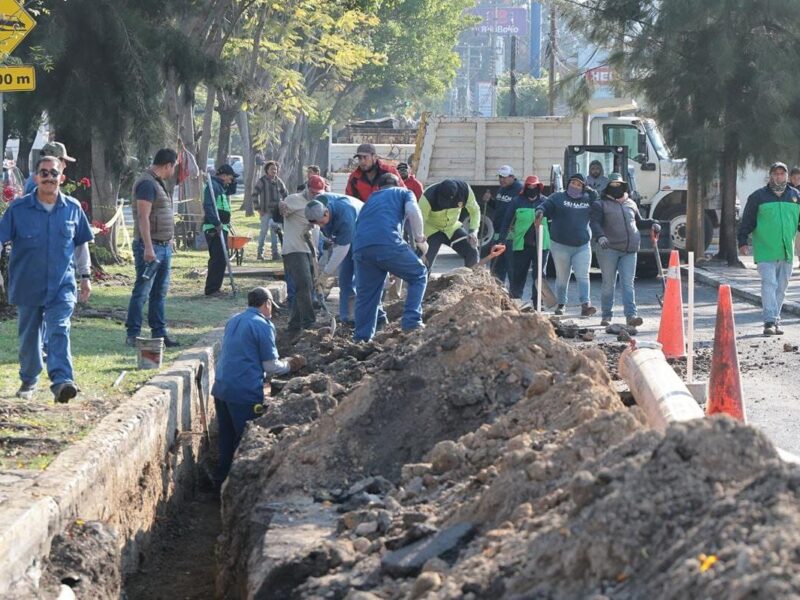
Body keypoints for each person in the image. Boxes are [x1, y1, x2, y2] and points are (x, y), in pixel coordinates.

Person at [0, 156, 93, 402]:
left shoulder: (73, 208)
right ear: (35, 178)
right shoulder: (18, 210)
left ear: (62, 177)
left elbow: (81, 245)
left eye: (54, 173)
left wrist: (85, 277)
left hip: (61, 285)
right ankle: (29, 380)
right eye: (44, 173)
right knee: (29, 338)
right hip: (27, 284)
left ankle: (62, 382)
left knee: (59, 328)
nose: (49, 177)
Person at [211, 286, 306, 485]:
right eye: (272, 307)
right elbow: (271, 365)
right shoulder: (263, 325)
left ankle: (220, 480)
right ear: (267, 303)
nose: (272, 312)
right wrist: (291, 364)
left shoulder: (233, 320)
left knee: (226, 439)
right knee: (245, 440)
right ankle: (240, 485)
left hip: (221, 389)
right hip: (243, 392)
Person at [352, 173, 427, 342]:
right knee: (419, 274)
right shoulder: (404, 193)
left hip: (361, 247)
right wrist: (420, 238)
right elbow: (413, 211)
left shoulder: (370, 200)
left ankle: (361, 339)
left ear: (378, 187)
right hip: (387, 241)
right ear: (399, 183)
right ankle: (412, 322)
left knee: (367, 296)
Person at [125, 148, 180, 347]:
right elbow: (143, 217)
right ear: (168, 165)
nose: (173, 171)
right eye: (174, 167)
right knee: (142, 291)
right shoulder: (147, 183)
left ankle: (159, 333)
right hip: (150, 247)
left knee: (159, 292)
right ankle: (133, 333)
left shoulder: (157, 182)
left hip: (163, 246)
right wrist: (148, 247)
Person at [590, 173, 661, 327]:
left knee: (628, 284)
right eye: (613, 185)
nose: (616, 188)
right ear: (608, 187)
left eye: (619, 185)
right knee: (609, 283)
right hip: (608, 249)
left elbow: (639, 223)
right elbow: (594, 223)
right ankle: (607, 316)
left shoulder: (631, 203)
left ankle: (631, 315)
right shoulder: (600, 204)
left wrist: (653, 223)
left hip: (630, 250)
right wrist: (600, 236)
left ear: (624, 186)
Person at [738, 162, 800, 336]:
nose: (778, 176)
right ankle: (769, 321)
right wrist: (742, 241)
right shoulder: (758, 197)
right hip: (765, 249)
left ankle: (775, 319)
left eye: (782, 174)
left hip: (786, 251)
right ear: (770, 175)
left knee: (781, 287)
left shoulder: (795, 196)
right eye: (775, 173)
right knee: (769, 283)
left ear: (786, 176)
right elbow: (747, 221)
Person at [536, 173, 597, 317]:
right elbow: (545, 205)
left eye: (579, 184)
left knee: (583, 275)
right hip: (560, 245)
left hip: (582, 246)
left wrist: (589, 190)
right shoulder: (558, 198)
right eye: (573, 183)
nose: (575, 186)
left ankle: (585, 305)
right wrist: (540, 211)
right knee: (562, 276)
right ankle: (562, 304)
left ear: (583, 187)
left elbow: (597, 199)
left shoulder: (587, 199)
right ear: (568, 183)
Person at [305, 193, 364, 325]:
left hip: (362, 233)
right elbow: (315, 229)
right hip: (344, 237)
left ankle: (365, 317)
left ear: (326, 213)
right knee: (344, 278)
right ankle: (346, 318)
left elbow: (341, 251)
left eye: (321, 223)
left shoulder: (345, 215)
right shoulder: (316, 206)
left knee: (361, 277)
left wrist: (325, 274)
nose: (320, 226)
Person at [280, 174, 325, 333]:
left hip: (310, 250)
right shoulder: (294, 199)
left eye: (318, 193)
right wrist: (281, 206)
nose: (315, 195)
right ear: (307, 188)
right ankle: (309, 322)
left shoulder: (320, 203)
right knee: (304, 283)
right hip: (294, 249)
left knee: (306, 287)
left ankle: (294, 324)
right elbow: (283, 208)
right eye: (313, 192)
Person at [497, 175, 550, 304]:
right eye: (529, 187)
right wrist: (501, 239)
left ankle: (538, 301)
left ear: (539, 188)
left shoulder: (546, 202)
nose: (532, 189)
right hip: (522, 244)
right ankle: (516, 300)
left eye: (534, 187)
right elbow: (507, 221)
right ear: (525, 188)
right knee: (518, 274)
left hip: (541, 244)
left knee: (539, 275)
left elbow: (556, 221)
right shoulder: (517, 201)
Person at [418, 179, 481, 270]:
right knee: (425, 264)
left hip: (452, 228)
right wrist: (421, 246)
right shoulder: (428, 196)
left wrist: (473, 231)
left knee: (472, 251)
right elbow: (419, 222)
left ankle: (470, 281)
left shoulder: (465, 191)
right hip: (431, 230)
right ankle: (423, 283)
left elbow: (475, 211)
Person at [203, 164, 237, 296]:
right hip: (214, 228)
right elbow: (208, 206)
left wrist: (233, 181)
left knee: (222, 258)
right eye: (230, 177)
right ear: (223, 175)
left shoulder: (221, 187)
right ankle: (212, 289)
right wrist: (216, 223)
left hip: (221, 227)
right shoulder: (212, 187)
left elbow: (231, 191)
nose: (231, 180)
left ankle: (215, 288)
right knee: (218, 258)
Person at [485, 165, 522, 285]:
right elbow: (498, 207)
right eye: (500, 177)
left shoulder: (519, 189)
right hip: (498, 232)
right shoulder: (502, 189)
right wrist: (490, 200)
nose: (502, 180)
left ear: (512, 176)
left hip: (510, 234)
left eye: (505, 177)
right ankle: (497, 290)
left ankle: (514, 296)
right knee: (496, 266)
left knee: (511, 267)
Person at [252, 160, 288, 261]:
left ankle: (275, 254)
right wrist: (258, 208)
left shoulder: (279, 181)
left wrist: (284, 207)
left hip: (276, 213)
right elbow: (254, 194)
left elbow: (285, 194)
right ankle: (260, 253)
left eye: (275, 169)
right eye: (272, 169)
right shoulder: (262, 181)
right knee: (263, 232)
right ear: (267, 170)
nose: (274, 171)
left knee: (274, 233)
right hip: (265, 212)